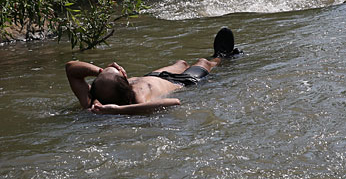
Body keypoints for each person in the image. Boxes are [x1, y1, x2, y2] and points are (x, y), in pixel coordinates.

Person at [65, 27, 239, 115]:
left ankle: (212, 59)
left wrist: (100, 71)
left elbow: (71, 68)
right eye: (117, 73)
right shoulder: (133, 100)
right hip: (179, 82)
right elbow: (175, 102)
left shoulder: (92, 97)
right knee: (203, 62)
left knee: (181, 62)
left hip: (153, 77)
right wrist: (116, 110)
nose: (118, 68)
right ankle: (222, 56)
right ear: (124, 84)